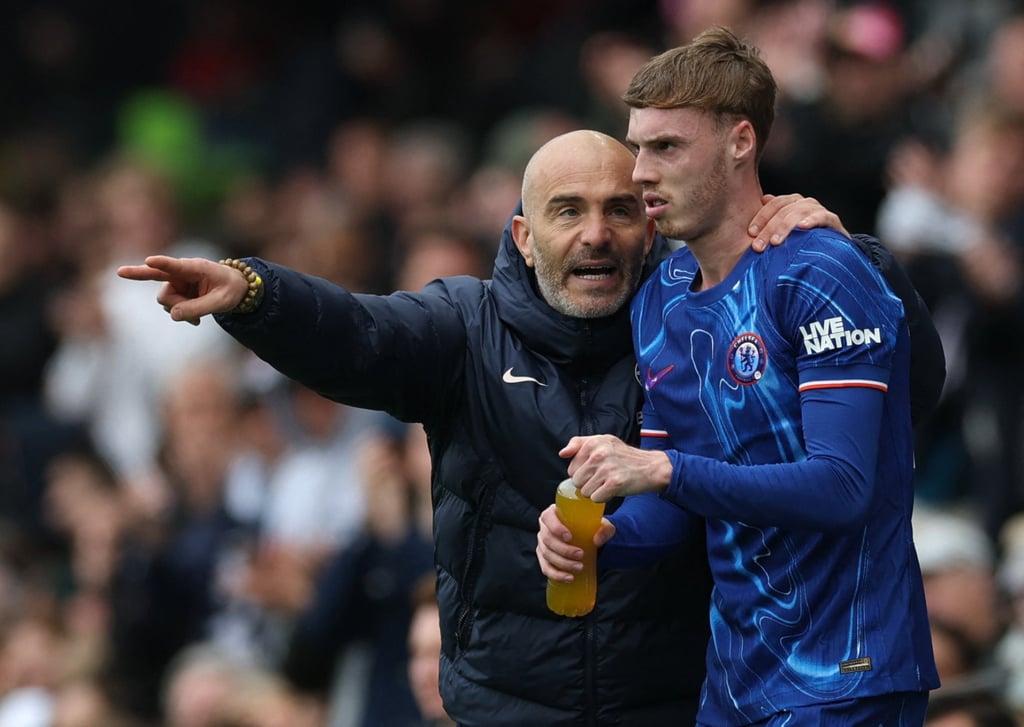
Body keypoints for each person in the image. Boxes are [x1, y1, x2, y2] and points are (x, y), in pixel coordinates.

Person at [117, 127, 933, 725]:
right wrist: (256, 294)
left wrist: (853, 259)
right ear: (523, 235)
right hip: (508, 704)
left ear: (650, 227)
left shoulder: (710, 319)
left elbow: (900, 395)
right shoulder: (463, 328)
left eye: (620, 209)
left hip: (678, 698)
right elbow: (358, 334)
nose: (596, 233)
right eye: (567, 210)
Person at [536, 27, 941, 726]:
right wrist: (607, 535)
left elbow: (844, 486)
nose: (639, 172)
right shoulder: (661, 299)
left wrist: (661, 468)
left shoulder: (821, 271)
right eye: (637, 146)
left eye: (666, 147)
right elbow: (672, 508)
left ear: (740, 142)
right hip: (734, 682)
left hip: (848, 676)